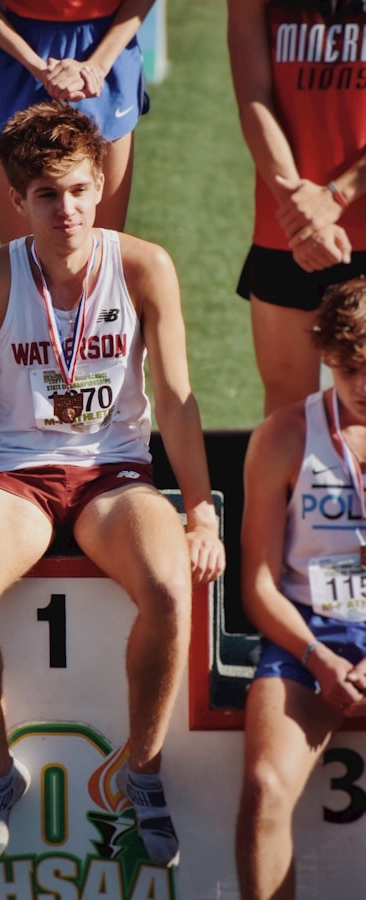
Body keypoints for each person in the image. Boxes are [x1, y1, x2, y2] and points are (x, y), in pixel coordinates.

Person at [0, 101, 225, 874]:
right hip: (16, 476)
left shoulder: (144, 265)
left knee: (173, 587)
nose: (67, 208)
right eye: (46, 194)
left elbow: (176, 399)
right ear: (19, 202)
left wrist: (204, 509)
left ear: (102, 182)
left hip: (114, 475)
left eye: (79, 189)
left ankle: (141, 771)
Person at [236, 276, 366, 899]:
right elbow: (258, 583)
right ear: (325, 357)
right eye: (348, 369)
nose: (363, 387)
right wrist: (320, 657)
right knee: (264, 788)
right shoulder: (284, 436)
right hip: (308, 634)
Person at [227, 0, 366, 416]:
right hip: (288, 227)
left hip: (312, 215)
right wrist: (304, 214)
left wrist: (335, 195)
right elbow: (253, 97)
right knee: (290, 411)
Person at [0, 0, 154, 242]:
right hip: (16, 48)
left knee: (103, 255)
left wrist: (97, 66)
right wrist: (34, 64)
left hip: (107, 45)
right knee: (21, 258)